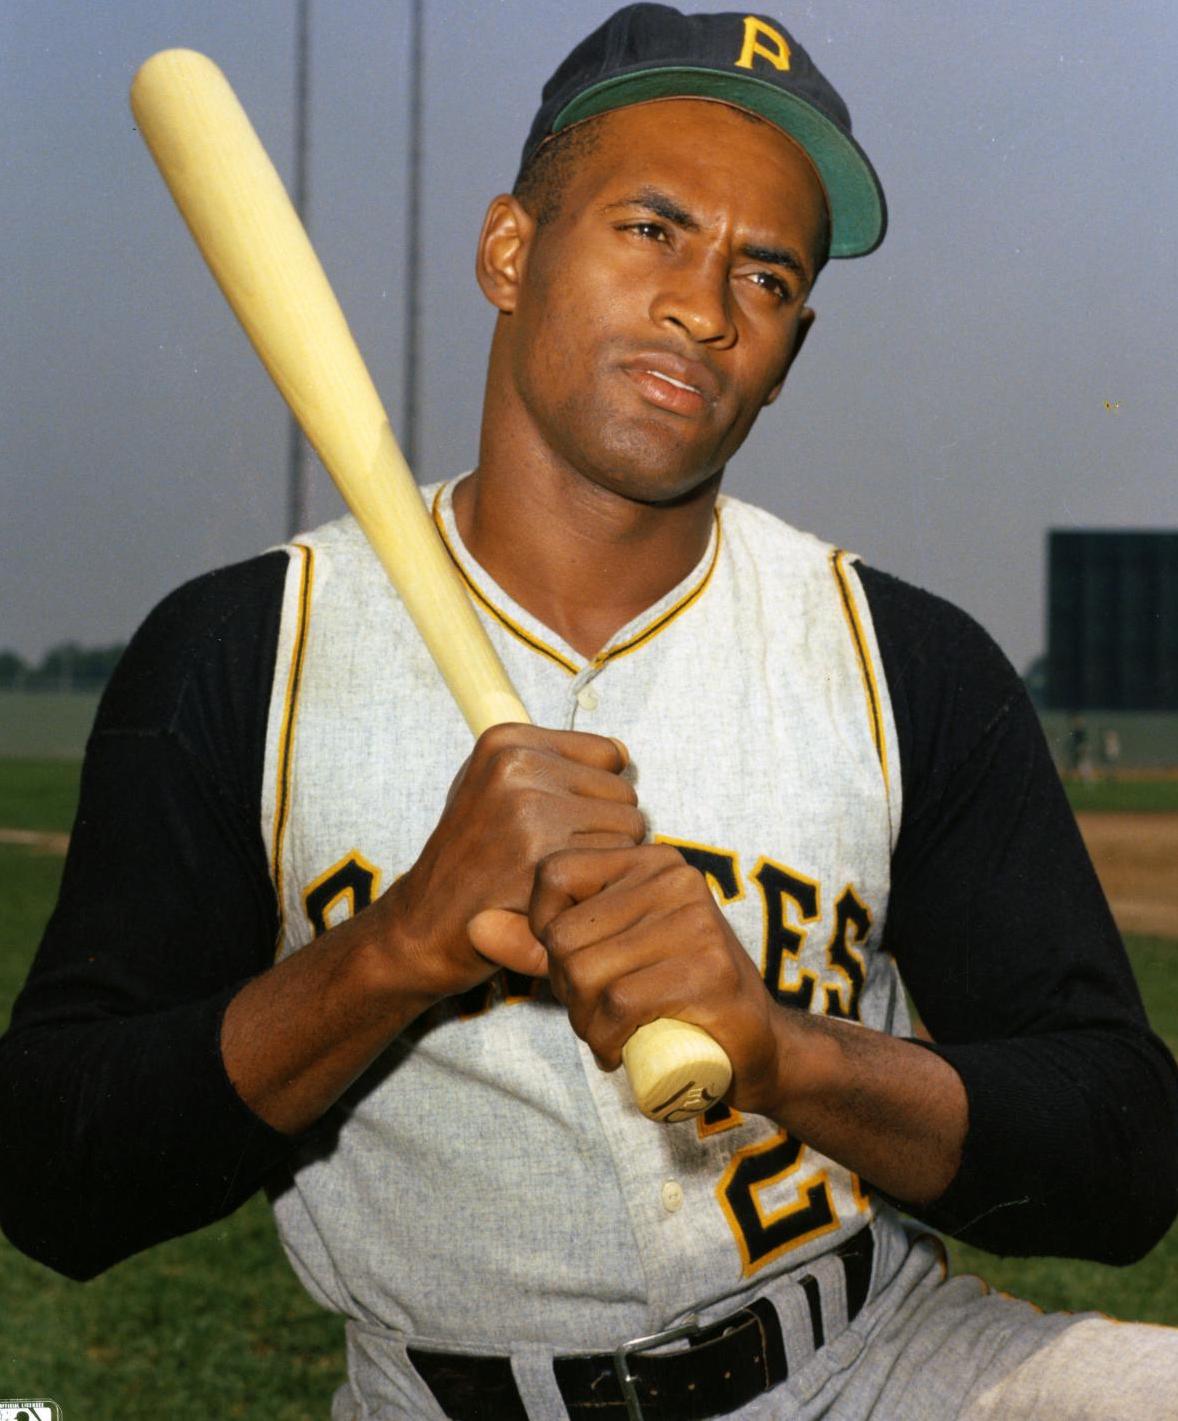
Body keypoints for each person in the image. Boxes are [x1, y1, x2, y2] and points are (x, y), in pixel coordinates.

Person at [2, 6, 1177, 1417]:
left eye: (764, 274)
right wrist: (396, 948)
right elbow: (54, 1175)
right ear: (510, 251)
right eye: (652, 229)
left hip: (872, 1366)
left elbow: (1123, 1152)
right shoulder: (247, 649)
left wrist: (788, 1052)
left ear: (789, 347)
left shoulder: (899, 661)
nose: (704, 305)